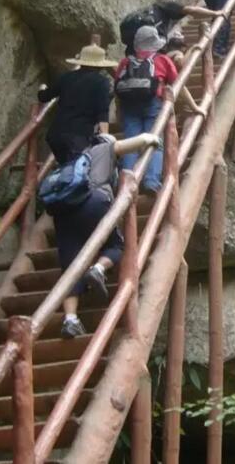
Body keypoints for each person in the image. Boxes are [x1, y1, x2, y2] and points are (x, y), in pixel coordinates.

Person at [49, 131, 161, 338]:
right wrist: (153, 138)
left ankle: (70, 319)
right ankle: (99, 268)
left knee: (71, 267)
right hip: (93, 202)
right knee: (117, 245)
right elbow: (140, 141)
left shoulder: (72, 160)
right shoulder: (104, 148)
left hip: (63, 214)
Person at [115, 25, 202, 194]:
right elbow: (179, 87)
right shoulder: (162, 60)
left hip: (129, 106)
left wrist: (119, 112)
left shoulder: (126, 62)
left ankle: (125, 185)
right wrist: (195, 107)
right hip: (153, 104)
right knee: (155, 142)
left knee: (130, 144)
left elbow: (117, 88)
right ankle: (151, 181)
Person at [38, 41, 117, 164]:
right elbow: (102, 111)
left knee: (68, 170)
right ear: (101, 65)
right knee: (76, 173)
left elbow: (44, 97)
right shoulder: (101, 82)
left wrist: (42, 88)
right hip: (79, 136)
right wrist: (105, 136)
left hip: (55, 134)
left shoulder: (67, 77)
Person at [120, 0, 222, 57]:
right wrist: (215, 13)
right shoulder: (166, 5)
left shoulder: (148, 10)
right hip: (151, 47)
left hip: (133, 50)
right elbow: (190, 10)